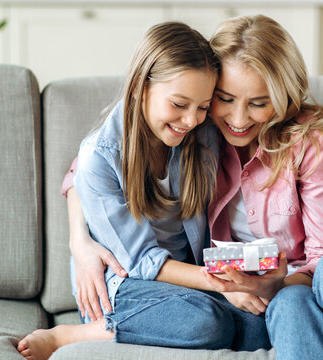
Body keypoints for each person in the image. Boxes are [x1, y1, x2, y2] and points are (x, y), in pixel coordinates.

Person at [62, 15, 323, 360]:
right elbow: (90, 164)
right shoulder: (202, 133)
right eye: (224, 100)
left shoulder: (308, 143)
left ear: (281, 98)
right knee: (288, 306)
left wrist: (275, 283)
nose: (239, 119)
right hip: (296, 293)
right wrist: (80, 242)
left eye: (259, 103)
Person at [17, 21, 276, 360]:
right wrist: (220, 284)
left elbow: (74, 176)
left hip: (187, 278)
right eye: (179, 104)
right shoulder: (102, 156)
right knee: (207, 324)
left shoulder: (202, 133)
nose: (191, 120)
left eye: (202, 107)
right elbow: (141, 262)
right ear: (140, 85)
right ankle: (73, 335)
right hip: (126, 285)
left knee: (262, 324)